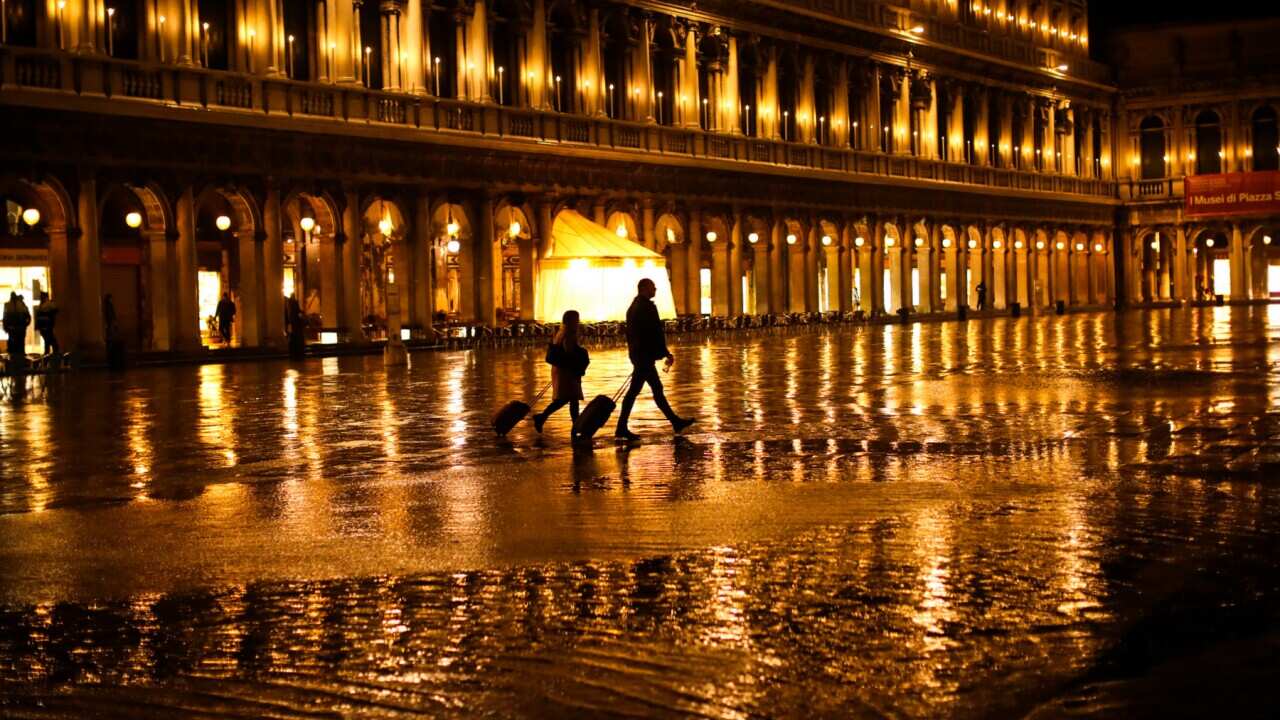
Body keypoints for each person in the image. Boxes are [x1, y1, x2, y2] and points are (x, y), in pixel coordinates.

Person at [615, 278, 695, 440]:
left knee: (656, 389)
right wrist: (664, 352)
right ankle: (621, 428)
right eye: (653, 287)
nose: (655, 289)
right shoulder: (645, 307)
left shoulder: (634, 307)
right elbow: (653, 333)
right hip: (644, 356)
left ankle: (675, 421)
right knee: (634, 392)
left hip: (639, 354)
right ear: (644, 288)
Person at [532, 310, 590, 437]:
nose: (578, 322)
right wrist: (581, 355)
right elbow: (569, 351)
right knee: (568, 398)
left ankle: (573, 426)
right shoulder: (569, 333)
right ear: (571, 321)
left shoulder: (560, 331)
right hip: (567, 370)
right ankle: (574, 427)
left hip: (560, 369)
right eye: (576, 319)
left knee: (567, 398)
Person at [3, 292, 31, 366]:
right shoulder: (21, 305)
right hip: (19, 328)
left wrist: (6, 327)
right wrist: (25, 324)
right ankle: (20, 361)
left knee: (14, 344)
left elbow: (5, 317)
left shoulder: (8, 305)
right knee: (20, 343)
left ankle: (14, 361)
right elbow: (28, 316)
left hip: (13, 328)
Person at [34, 292, 59, 356]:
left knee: (49, 339)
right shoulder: (44, 304)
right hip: (45, 325)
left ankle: (51, 353)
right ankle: (52, 352)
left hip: (46, 325)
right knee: (48, 339)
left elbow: (55, 310)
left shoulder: (47, 304)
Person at [285, 293, 306, 359]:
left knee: (293, 339)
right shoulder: (294, 303)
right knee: (296, 340)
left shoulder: (289, 303)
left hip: (294, 325)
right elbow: (298, 312)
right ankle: (298, 355)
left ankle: (295, 355)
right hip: (295, 326)